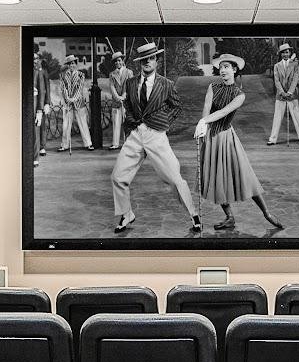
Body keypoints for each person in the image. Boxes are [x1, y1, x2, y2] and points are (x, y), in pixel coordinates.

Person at [110, 41, 202, 235]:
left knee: (175, 179)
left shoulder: (166, 84)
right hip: (135, 135)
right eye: (143, 59)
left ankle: (194, 215)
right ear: (139, 63)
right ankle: (126, 214)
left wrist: (163, 123)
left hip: (156, 135)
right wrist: (132, 121)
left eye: (151, 58)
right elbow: (127, 104)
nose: (147, 62)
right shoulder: (131, 82)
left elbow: (176, 106)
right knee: (118, 177)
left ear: (157, 61)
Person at [196, 54, 285, 234]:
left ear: (234, 70)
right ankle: (229, 216)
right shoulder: (212, 87)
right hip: (211, 138)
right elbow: (206, 108)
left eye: (227, 66)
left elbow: (224, 112)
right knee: (216, 178)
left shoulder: (239, 95)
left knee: (245, 176)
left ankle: (266, 213)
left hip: (227, 138)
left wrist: (204, 122)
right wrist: (203, 125)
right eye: (221, 67)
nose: (223, 70)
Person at [267, 41, 299, 145]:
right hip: (280, 95)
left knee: (296, 116)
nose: (285, 54)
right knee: (277, 117)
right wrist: (282, 92)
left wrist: (289, 92)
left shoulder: (295, 64)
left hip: (292, 95)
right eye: (283, 52)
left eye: (287, 52)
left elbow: (295, 79)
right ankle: (273, 138)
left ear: (290, 53)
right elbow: (276, 81)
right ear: (280, 54)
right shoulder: (276, 66)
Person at [59, 56, 93, 152]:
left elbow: (80, 88)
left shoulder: (81, 75)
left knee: (83, 123)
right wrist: (67, 98)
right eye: (69, 64)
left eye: (73, 63)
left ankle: (88, 143)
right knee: (66, 125)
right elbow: (63, 88)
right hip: (67, 103)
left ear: (76, 64)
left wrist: (74, 98)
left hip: (78, 102)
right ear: (67, 65)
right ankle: (64, 145)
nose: (71, 65)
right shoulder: (63, 75)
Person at [98, 51, 127, 151]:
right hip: (116, 102)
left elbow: (129, 86)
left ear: (122, 61)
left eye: (119, 60)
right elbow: (112, 87)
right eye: (115, 61)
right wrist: (117, 97)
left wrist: (123, 96)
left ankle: (128, 143)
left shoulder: (129, 72)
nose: (117, 63)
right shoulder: (112, 74)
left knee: (127, 123)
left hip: (126, 102)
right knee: (116, 122)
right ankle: (115, 143)